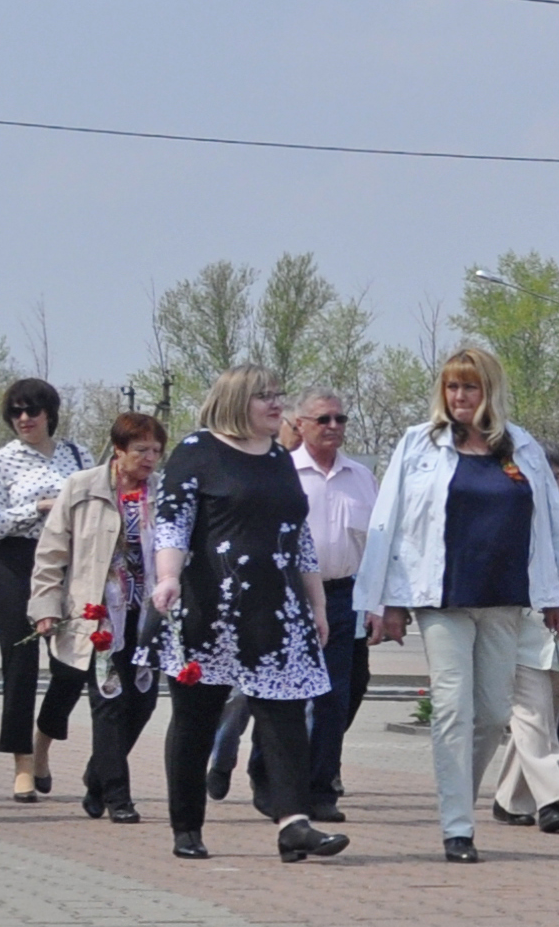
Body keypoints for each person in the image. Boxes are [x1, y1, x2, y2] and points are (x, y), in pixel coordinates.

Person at [356, 346, 559, 864]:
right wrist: (383, 602)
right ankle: (457, 825)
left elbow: (548, 525)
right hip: (442, 596)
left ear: (490, 392)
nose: (460, 397)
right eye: (453, 387)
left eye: (471, 387)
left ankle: (461, 792)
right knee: (454, 707)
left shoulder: (519, 447)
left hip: (504, 598)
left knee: (494, 712)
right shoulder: (419, 443)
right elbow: (388, 524)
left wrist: (555, 597)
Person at [151, 365, 348, 865]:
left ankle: (293, 825)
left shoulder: (280, 457)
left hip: (276, 612)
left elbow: (297, 534)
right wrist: (168, 577)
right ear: (237, 400)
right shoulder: (197, 452)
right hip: (209, 611)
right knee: (196, 720)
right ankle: (187, 825)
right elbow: (173, 523)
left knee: (284, 720)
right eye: (265, 397)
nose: (277, 404)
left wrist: (317, 603)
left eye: (279, 395)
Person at [30, 410, 168, 822]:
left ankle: (97, 776)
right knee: (109, 701)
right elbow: (51, 554)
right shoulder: (82, 487)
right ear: (119, 450)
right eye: (141, 449)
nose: (149, 459)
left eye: (157, 451)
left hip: (146, 617)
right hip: (98, 616)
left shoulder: (162, 492)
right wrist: (45, 608)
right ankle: (118, 798)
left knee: (141, 704)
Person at [0, 377, 95, 801]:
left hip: (68, 562)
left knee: (73, 663)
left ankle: (43, 742)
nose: (24, 419)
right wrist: (39, 507)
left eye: (32, 410)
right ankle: (22, 765)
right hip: (16, 562)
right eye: (16, 412)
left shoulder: (77, 455)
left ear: (50, 413)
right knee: (20, 664)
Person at [489, 490, 559, 832]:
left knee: (541, 719)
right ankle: (552, 796)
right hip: (519, 631)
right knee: (533, 715)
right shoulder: (508, 511)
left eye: (552, 476)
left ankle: (508, 800)